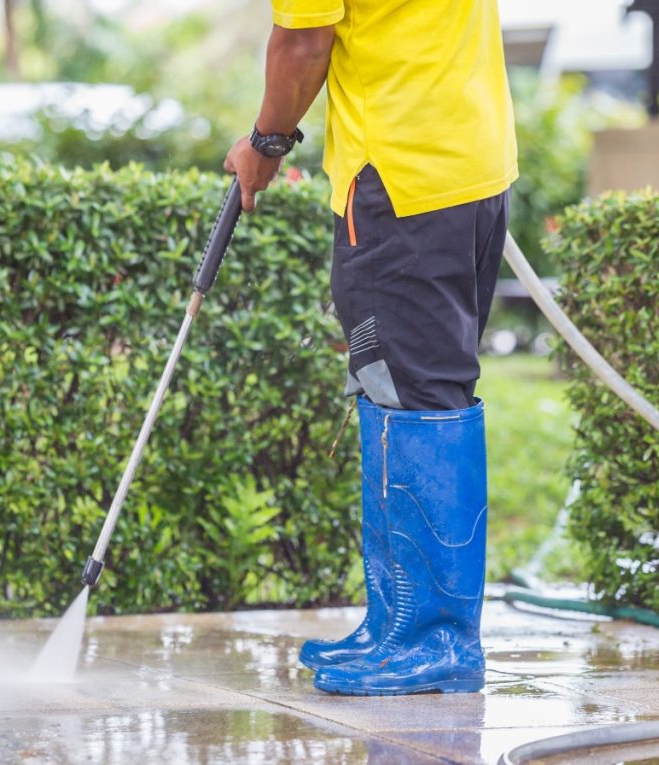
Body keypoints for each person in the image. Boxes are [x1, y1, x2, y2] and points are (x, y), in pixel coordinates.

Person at [224, 0, 517, 696]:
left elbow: (302, 45)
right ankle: (398, 622)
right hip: (473, 168)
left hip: (400, 179)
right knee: (419, 385)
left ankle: (431, 637)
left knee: (409, 388)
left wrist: (265, 144)